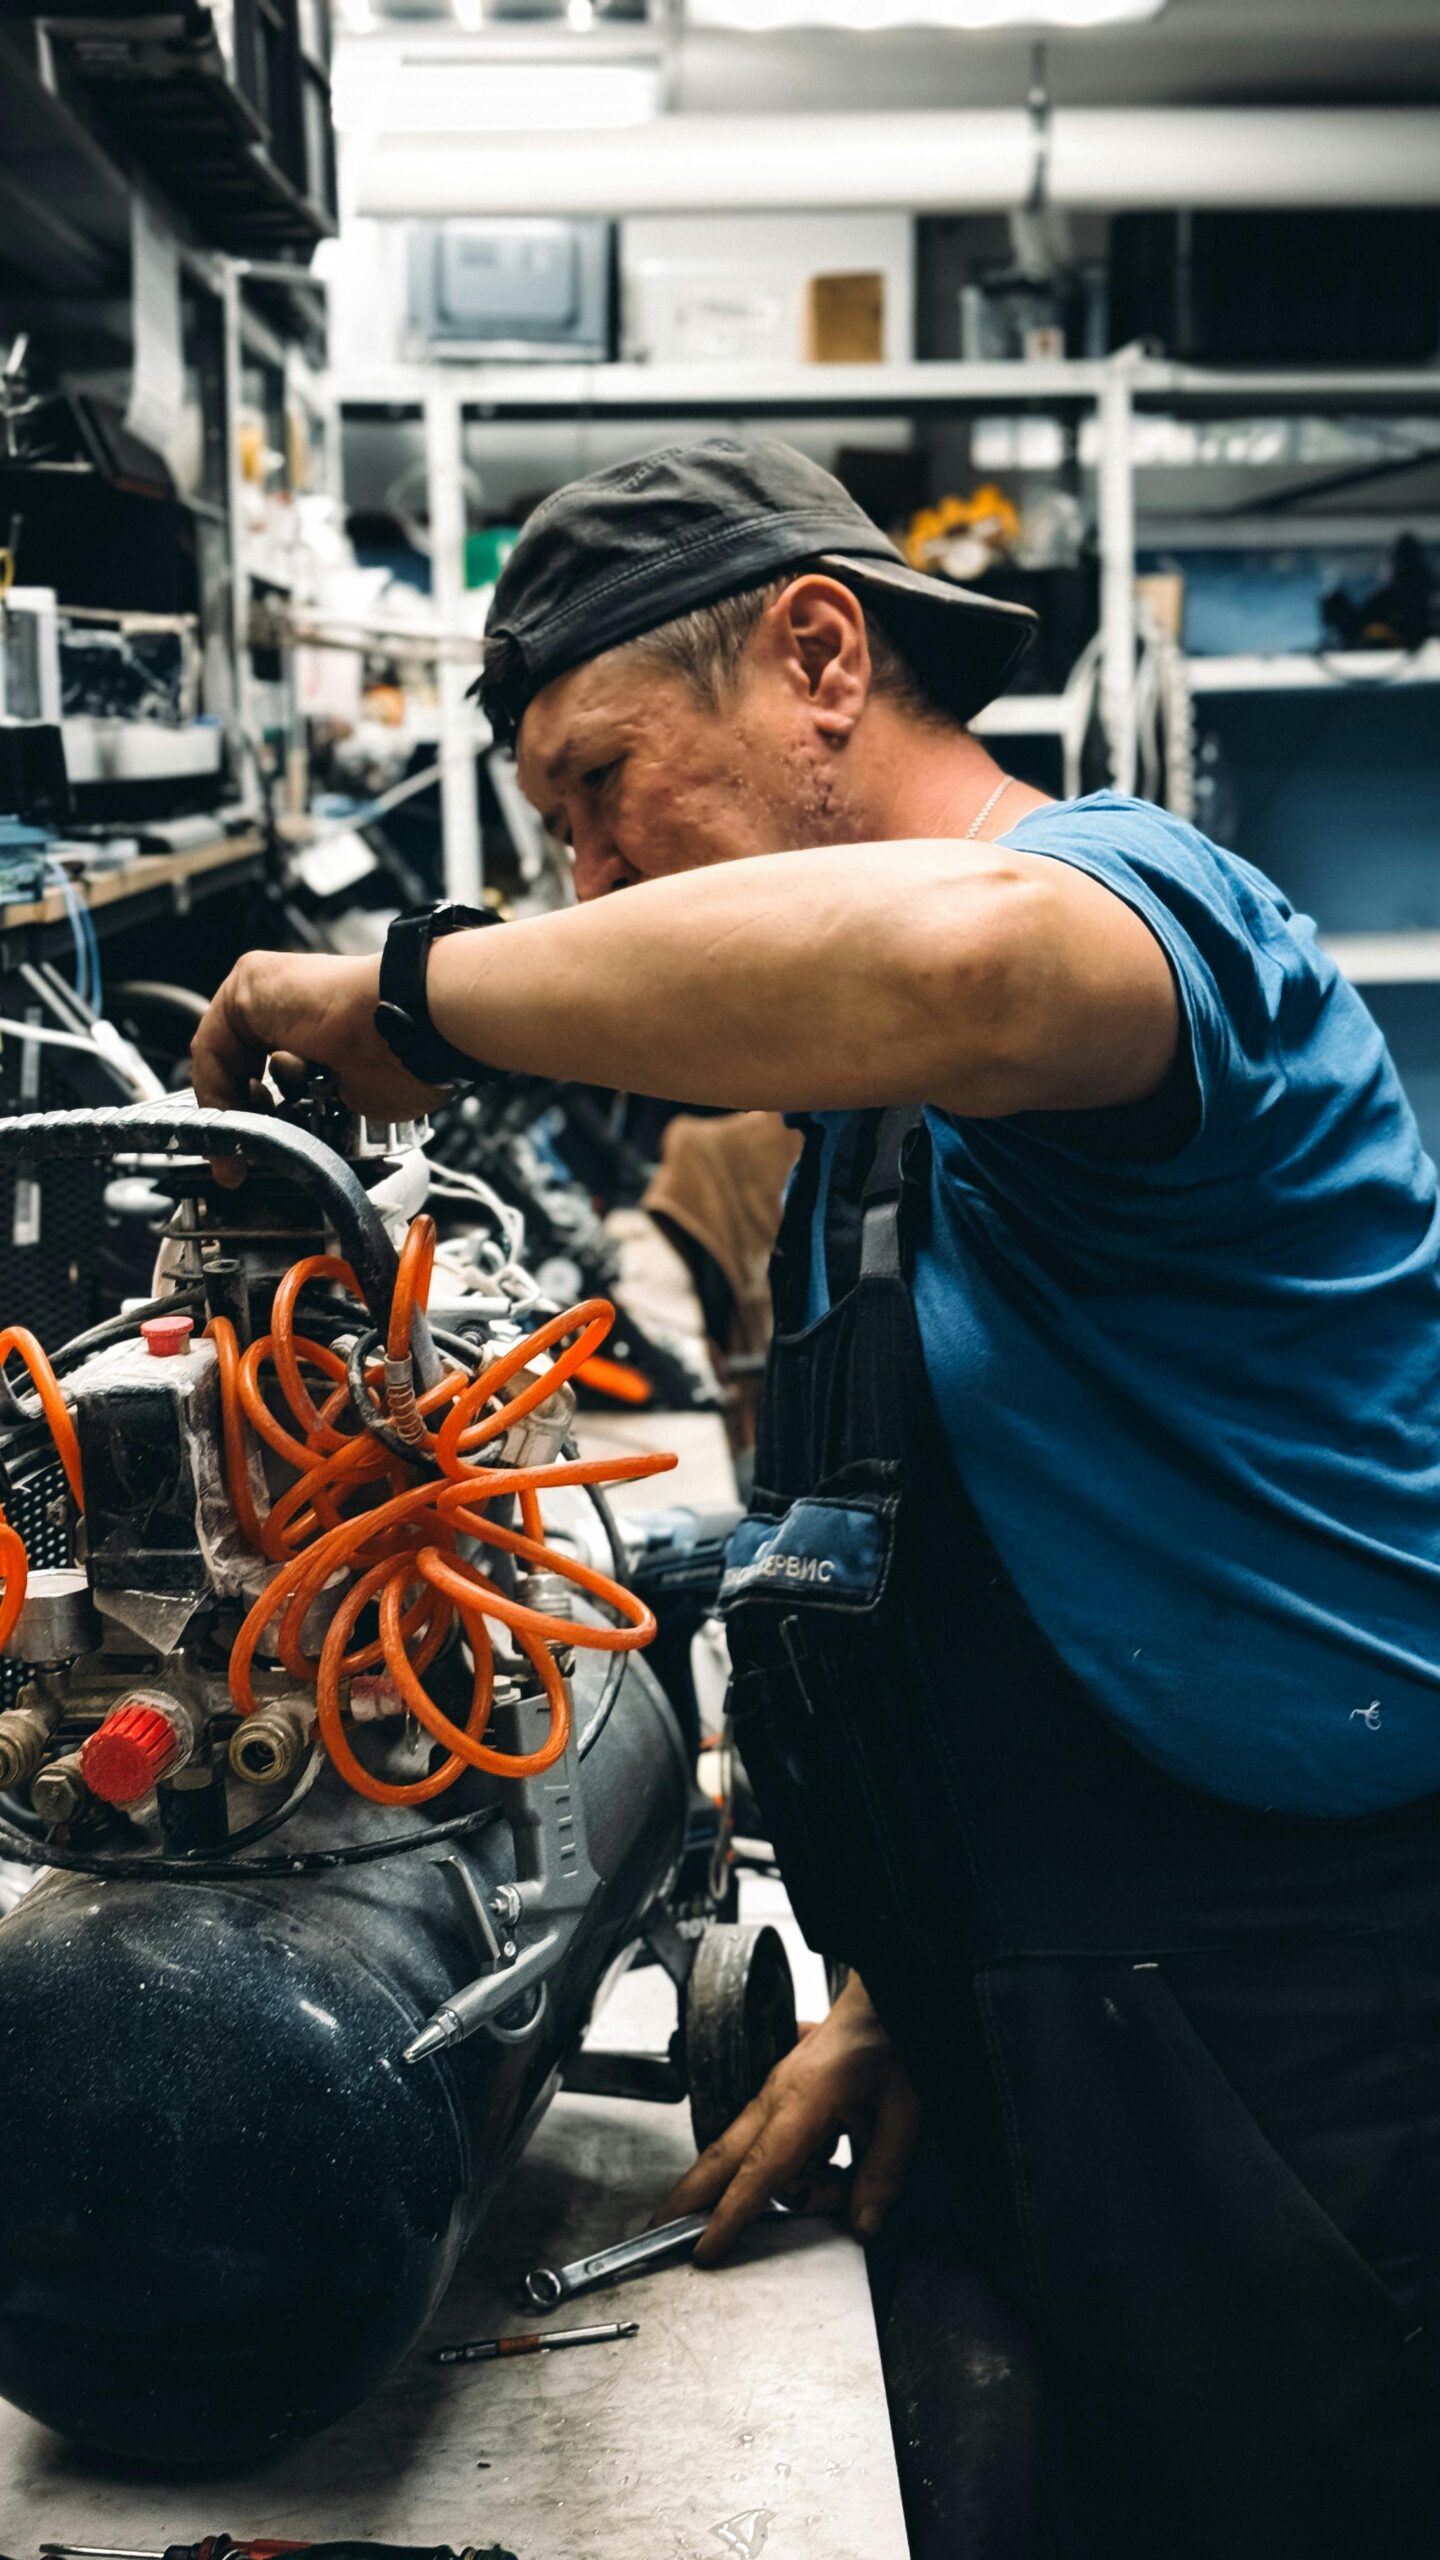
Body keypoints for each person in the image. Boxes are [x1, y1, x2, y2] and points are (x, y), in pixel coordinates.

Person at [191, 441, 1440, 2558]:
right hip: (1054, 2006)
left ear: (822, 654)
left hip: (1286, 2036)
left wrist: (414, 992)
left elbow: (965, 965)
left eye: (602, 786)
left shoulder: (1152, 915)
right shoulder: (879, 1136)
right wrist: (899, 1986)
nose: (587, 875)